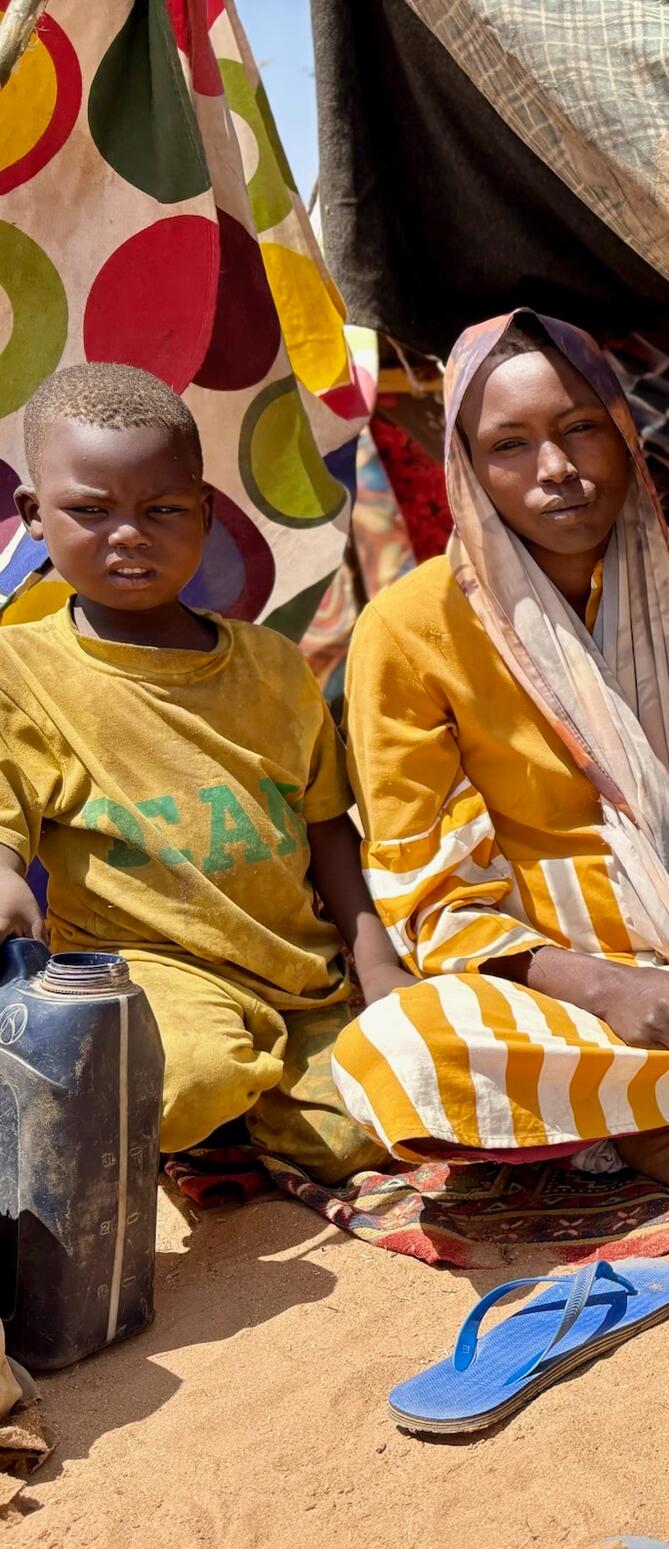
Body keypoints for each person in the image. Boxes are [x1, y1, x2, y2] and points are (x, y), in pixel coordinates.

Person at [330, 312, 669, 1201]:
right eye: (509, 446)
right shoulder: (406, 631)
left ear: (626, 436)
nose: (556, 470)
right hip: (549, 990)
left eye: (581, 428)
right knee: (398, 1050)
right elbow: (431, 896)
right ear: (467, 471)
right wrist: (604, 989)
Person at [0, 364, 405, 1182]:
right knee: (189, 1082)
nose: (129, 535)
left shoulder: (273, 665)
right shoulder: (19, 671)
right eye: (91, 510)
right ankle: (214, 1095)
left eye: (163, 510)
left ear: (207, 513)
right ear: (35, 517)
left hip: (299, 980)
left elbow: (328, 826)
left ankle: (261, 1100)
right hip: (144, 971)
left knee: (377, 1124)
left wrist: (378, 967)